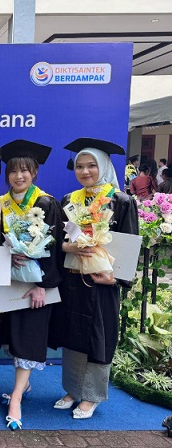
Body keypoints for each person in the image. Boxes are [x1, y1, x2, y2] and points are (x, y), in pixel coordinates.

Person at [50, 137, 138, 419]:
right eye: (80, 166)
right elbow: (58, 239)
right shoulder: (70, 200)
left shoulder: (121, 201)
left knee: (99, 337)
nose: (85, 171)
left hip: (102, 284)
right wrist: (67, 247)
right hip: (74, 280)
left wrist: (115, 279)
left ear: (104, 166)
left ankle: (91, 395)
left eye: (91, 165)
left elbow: (129, 244)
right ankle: (73, 389)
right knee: (73, 334)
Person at [0, 139, 64, 431]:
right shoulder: (0, 204)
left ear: (34, 172)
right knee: (16, 337)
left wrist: (43, 285)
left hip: (36, 284)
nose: (18, 176)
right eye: (13, 171)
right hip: (10, 282)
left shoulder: (45, 203)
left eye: (25, 170)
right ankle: (24, 386)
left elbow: (53, 249)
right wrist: (6, 256)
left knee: (28, 339)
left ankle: (17, 398)